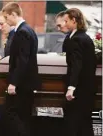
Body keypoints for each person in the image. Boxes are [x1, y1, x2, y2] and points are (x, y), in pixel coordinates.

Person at [1, 2, 40, 136]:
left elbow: (22, 60)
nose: (6, 21)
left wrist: (13, 83)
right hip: (27, 83)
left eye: (6, 17)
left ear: (13, 14)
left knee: (11, 113)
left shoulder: (22, 32)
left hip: (22, 84)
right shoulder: (29, 30)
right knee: (24, 116)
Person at [62, 8, 97, 136]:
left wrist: (71, 87)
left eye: (66, 21)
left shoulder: (77, 40)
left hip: (79, 90)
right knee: (85, 124)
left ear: (74, 20)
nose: (64, 24)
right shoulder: (85, 37)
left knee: (73, 124)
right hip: (87, 88)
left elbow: (77, 65)